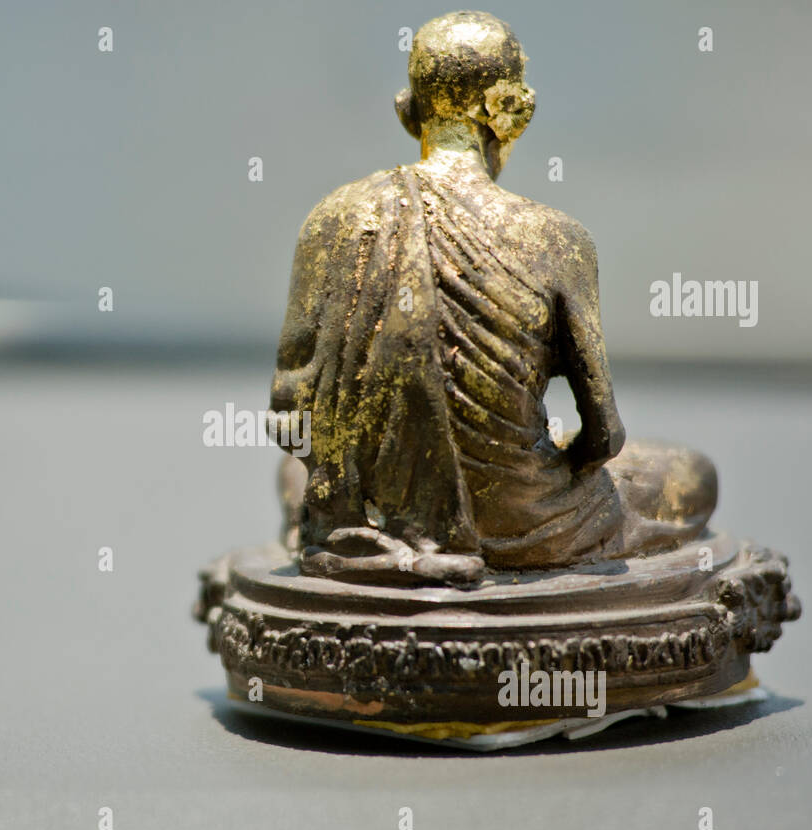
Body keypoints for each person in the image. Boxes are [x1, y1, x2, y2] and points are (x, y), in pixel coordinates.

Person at [271, 11, 717, 584]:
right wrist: (523, 455)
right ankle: (474, 541)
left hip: (370, 516)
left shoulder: (333, 219)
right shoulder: (557, 237)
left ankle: (375, 546)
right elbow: (605, 435)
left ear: (407, 109)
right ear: (516, 114)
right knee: (690, 473)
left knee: (291, 474)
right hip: (522, 520)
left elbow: (290, 419)